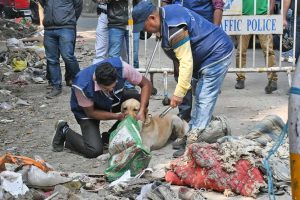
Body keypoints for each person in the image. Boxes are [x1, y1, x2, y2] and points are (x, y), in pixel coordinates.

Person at [132, 1, 233, 157]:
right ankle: (192, 133)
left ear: (152, 18)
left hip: (216, 54)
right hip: (205, 56)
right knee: (199, 96)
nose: (146, 32)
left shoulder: (174, 27)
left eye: (144, 27)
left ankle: (194, 146)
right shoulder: (165, 16)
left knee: (204, 98)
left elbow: (186, 62)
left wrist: (178, 93)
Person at [52, 57, 152, 158]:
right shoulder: (81, 85)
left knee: (139, 101)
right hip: (88, 111)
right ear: (96, 81)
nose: (111, 90)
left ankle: (109, 137)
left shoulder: (122, 68)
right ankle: (64, 130)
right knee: (94, 150)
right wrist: (118, 116)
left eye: (113, 86)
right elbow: (91, 113)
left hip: (113, 101)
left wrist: (142, 109)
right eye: (106, 88)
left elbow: (146, 84)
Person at [160, 0, 224, 123]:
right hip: (178, 30)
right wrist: (163, 25)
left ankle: (201, 117)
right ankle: (184, 114)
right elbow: (165, 3)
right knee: (181, 73)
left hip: (201, 34)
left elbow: (218, 6)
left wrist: (214, 31)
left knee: (202, 78)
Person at [39, 0, 82, 98]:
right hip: (49, 28)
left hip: (66, 27)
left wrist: (70, 18)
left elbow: (78, 5)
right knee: (52, 59)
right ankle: (56, 87)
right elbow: (43, 3)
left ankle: (80, 82)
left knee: (67, 56)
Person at [235, 0, 277, 94]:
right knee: (241, 50)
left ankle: (273, 79)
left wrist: (269, 12)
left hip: (263, 16)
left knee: (268, 50)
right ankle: (240, 78)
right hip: (244, 16)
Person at [107, 0, 141, 90]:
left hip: (134, 21)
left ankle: (131, 85)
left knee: (134, 56)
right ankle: (114, 84)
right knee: (113, 56)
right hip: (115, 21)